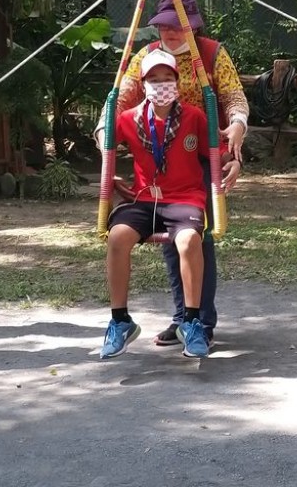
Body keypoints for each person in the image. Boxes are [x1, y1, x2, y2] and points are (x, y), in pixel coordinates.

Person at [96, 0, 249, 348]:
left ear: (193, 27)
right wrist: (103, 139)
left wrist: (236, 134)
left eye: (179, 26)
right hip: (153, 150)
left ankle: (201, 321)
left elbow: (234, 97)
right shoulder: (146, 57)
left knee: (197, 237)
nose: (172, 33)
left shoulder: (211, 53)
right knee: (165, 239)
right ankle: (181, 317)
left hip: (203, 148)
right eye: (165, 26)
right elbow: (121, 100)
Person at [100, 49, 211, 360]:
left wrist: (231, 158)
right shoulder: (128, 118)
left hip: (184, 197)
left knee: (189, 241)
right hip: (144, 197)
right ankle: (120, 321)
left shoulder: (194, 117)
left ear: (177, 82)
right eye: (153, 79)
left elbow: (217, 152)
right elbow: (105, 138)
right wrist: (104, 148)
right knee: (118, 236)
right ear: (143, 84)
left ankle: (190, 321)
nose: (160, 85)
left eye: (166, 79)